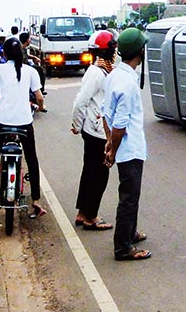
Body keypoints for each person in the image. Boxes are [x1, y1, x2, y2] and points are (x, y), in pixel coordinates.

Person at [0, 38, 46, 218]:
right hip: (24, 122)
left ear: (4, 53)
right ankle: (36, 200)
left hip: (2, 121)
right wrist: (40, 107)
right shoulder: (31, 71)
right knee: (31, 158)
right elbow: (39, 97)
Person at [103, 28, 151, 261]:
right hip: (129, 147)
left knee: (131, 193)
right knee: (129, 197)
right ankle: (122, 246)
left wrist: (109, 142)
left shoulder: (115, 75)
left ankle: (129, 232)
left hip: (122, 143)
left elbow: (105, 114)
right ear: (140, 51)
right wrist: (113, 148)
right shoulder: (128, 83)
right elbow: (120, 122)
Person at [70, 30, 117, 230]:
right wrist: (76, 124)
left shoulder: (103, 70)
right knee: (99, 173)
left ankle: (83, 212)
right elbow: (81, 101)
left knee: (90, 170)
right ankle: (91, 217)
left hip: (95, 129)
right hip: (96, 131)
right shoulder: (97, 73)